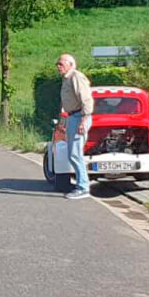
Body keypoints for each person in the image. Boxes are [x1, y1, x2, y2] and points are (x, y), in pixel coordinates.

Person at [57, 54, 94, 199]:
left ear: (71, 64)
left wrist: (84, 120)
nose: (58, 67)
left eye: (61, 64)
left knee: (75, 153)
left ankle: (83, 187)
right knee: (73, 154)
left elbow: (86, 99)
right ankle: (81, 184)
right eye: (57, 64)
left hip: (79, 117)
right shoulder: (66, 79)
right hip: (73, 116)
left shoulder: (76, 77)